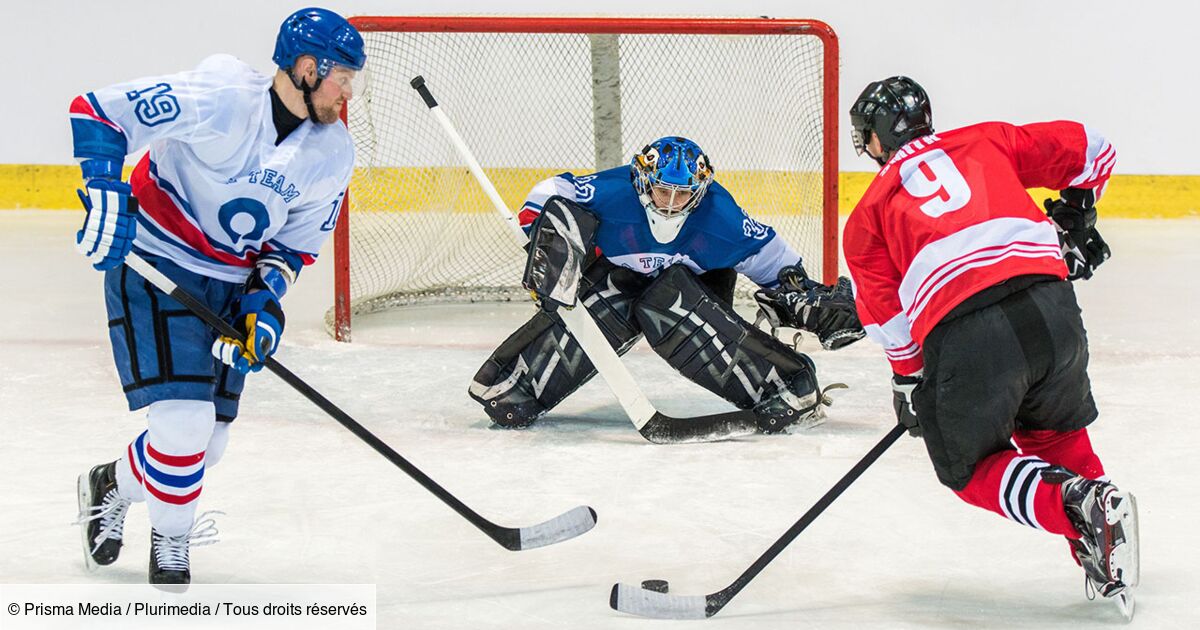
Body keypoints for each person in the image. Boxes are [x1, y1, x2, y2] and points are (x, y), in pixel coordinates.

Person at [71, 7, 364, 588]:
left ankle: (111, 483)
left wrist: (265, 304)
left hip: (228, 284)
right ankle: (172, 548)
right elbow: (100, 112)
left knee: (209, 440)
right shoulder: (224, 95)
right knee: (183, 426)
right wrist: (104, 190)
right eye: (343, 77)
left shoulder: (333, 154)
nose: (348, 91)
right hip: (156, 261)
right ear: (307, 68)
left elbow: (291, 248)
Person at [842, 76, 1138, 615]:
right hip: (1054, 310)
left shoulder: (867, 216)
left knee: (968, 467)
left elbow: (891, 320)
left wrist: (911, 383)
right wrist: (1075, 215)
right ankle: (1102, 532)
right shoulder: (987, 140)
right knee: (1057, 433)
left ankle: (1073, 504)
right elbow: (1096, 150)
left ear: (876, 140)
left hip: (969, 331)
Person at [469, 136, 864, 434]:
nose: (671, 203)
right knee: (613, 298)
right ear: (642, 181)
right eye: (663, 191)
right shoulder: (613, 191)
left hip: (695, 290)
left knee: (664, 302)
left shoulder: (720, 216)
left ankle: (783, 386)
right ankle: (514, 385)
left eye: (683, 194)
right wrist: (548, 239)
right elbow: (551, 193)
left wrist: (798, 291)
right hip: (620, 277)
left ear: (700, 190)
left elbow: (776, 261)